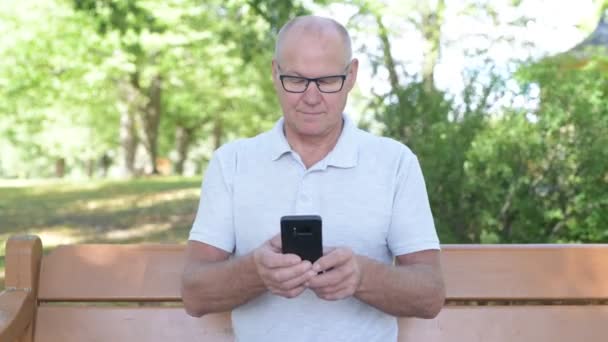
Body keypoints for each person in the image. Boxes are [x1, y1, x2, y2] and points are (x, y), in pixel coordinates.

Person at [181, 15, 445, 341]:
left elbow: (431, 293)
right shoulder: (231, 162)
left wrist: (361, 277)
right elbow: (194, 293)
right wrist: (255, 273)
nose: (310, 96)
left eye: (327, 80)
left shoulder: (395, 163)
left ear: (351, 76)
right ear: (275, 73)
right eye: (295, 79)